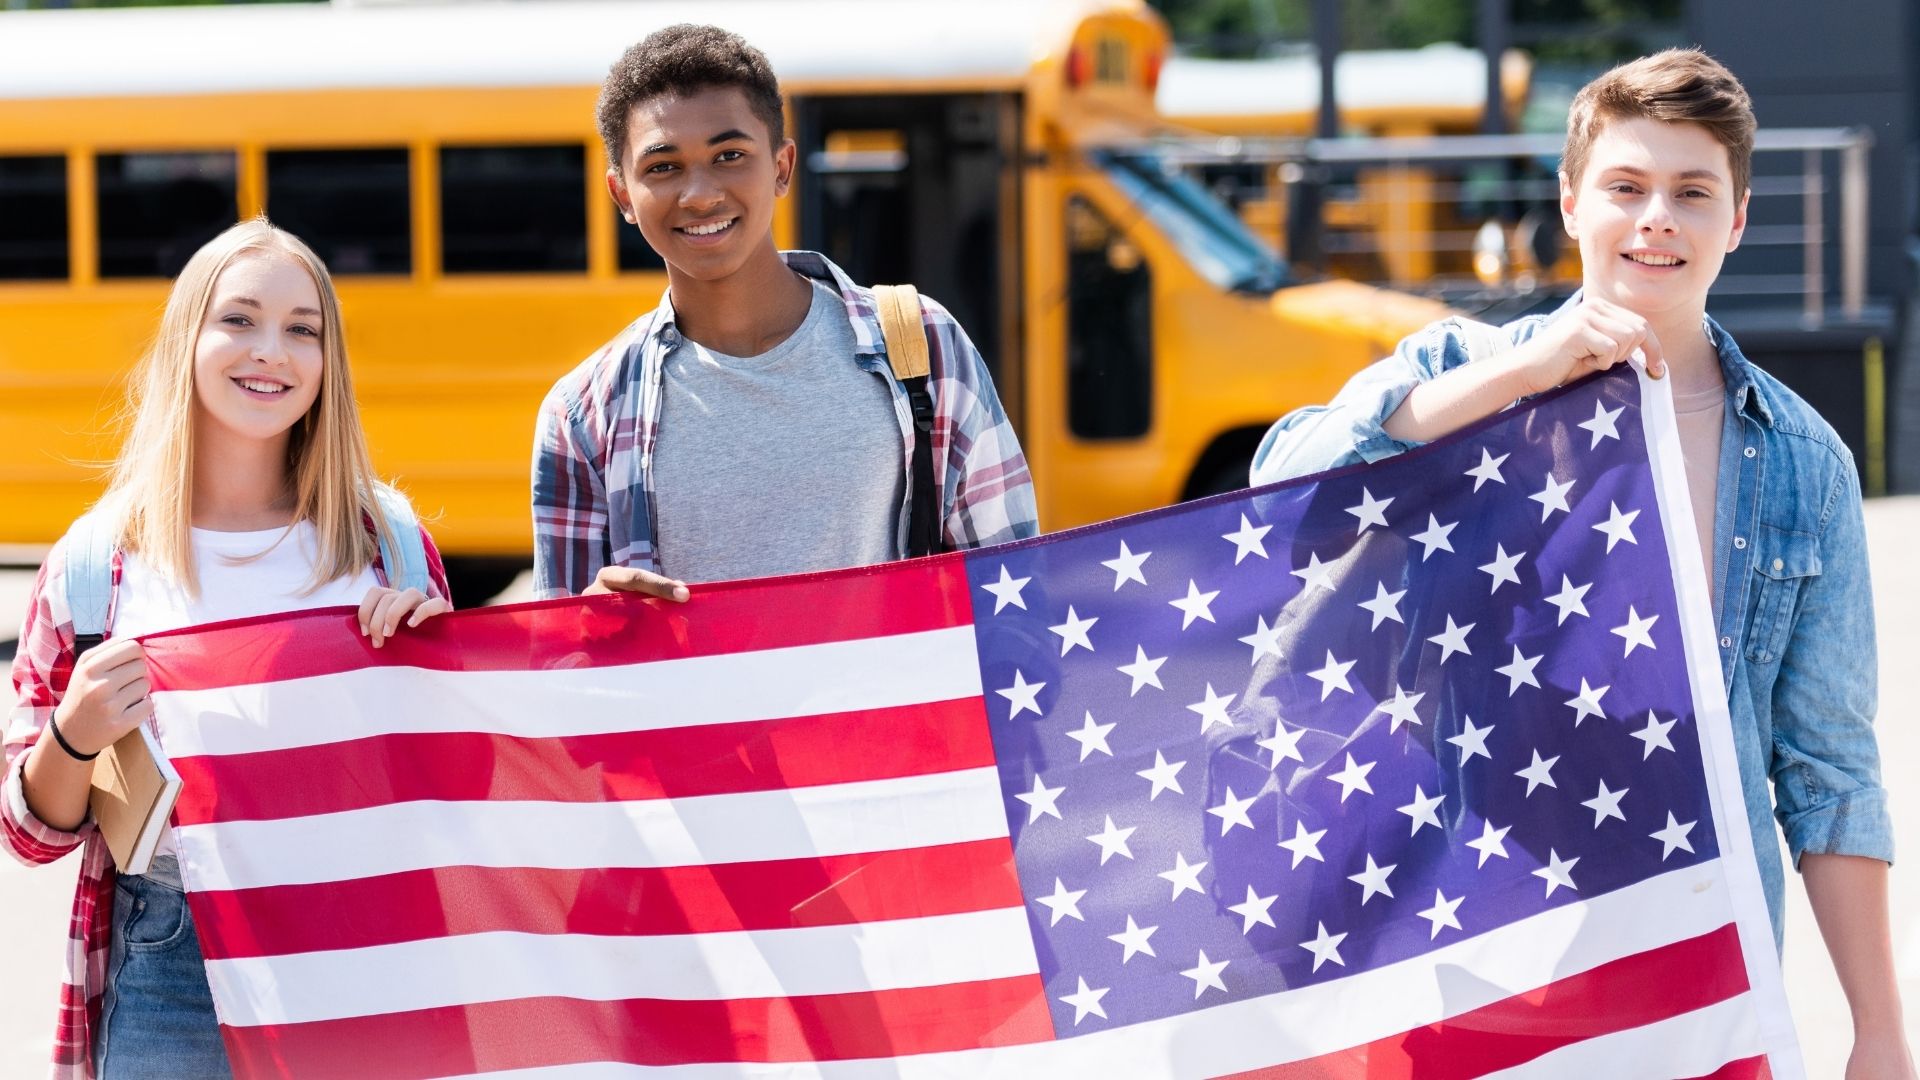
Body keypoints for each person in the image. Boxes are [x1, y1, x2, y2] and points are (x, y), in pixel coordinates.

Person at [1250, 49, 1911, 1077]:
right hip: (1461, 960)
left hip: (1693, 978)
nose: (1657, 217)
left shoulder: (1798, 460)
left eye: (1693, 193)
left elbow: (1827, 767)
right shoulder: (1458, 372)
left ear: (1734, 222)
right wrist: (1521, 375)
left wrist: (1879, 1031)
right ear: (1569, 204)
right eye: (1627, 186)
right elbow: (1288, 489)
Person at [2, 219, 453, 1078]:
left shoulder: (386, 545)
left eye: (302, 329)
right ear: (188, 341)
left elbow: (455, 784)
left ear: (329, 364)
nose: (271, 351)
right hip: (176, 952)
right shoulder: (97, 566)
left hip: (362, 941)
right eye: (239, 319)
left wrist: (436, 669)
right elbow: (29, 833)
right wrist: (75, 733)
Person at [532, 24, 1036, 601]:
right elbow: (562, 667)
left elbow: (1013, 597)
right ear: (622, 195)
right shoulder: (584, 415)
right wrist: (592, 628)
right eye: (663, 167)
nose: (699, 194)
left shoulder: (919, 345)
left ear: (781, 168)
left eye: (730, 155)